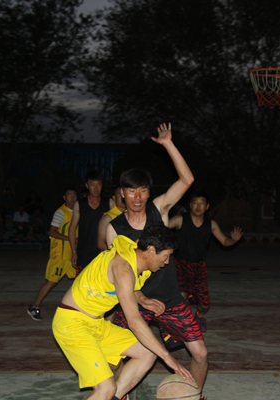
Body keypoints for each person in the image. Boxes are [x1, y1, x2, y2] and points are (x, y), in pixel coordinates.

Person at [105, 123, 208, 398]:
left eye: (142, 190)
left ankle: (193, 395)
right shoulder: (114, 229)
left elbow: (186, 180)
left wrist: (168, 145)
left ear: (149, 192)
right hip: (136, 301)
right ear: (122, 193)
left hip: (171, 299)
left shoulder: (159, 210)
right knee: (116, 356)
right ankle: (117, 395)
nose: (137, 197)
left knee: (200, 353)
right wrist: (140, 298)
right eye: (131, 191)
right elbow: (117, 275)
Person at [53, 224, 193, 400]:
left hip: (96, 324)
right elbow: (134, 322)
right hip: (72, 324)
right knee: (105, 388)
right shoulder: (123, 269)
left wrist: (141, 298)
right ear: (151, 250)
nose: (166, 262)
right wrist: (167, 357)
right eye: (166, 257)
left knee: (147, 353)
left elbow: (125, 285)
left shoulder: (134, 254)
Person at [168, 191, 243, 333]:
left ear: (207, 206)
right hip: (180, 264)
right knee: (181, 297)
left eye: (202, 203)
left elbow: (225, 241)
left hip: (199, 267)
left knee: (204, 305)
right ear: (191, 205)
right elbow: (161, 227)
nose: (198, 206)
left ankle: (200, 316)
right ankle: (181, 323)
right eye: (195, 203)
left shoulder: (211, 224)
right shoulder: (180, 220)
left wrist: (233, 240)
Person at [27, 187, 78, 321]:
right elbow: (52, 232)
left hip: (71, 254)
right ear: (64, 197)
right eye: (69, 195)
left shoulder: (77, 212)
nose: (72, 197)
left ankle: (77, 308)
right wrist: (70, 239)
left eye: (74, 195)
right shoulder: (60, 213)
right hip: (60, 255)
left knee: (80, 279)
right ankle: (34, 306)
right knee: (52, 281)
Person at [68, 171, 114, 275]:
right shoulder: (80, 205)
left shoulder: (109, 203)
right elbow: (72, 229)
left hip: (103, 253)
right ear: (87, 185)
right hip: (84, 253)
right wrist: (74, 252)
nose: (96, 188)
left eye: (99, 184)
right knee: (82, 283)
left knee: (103, 283)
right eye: (92, 184)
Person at [97, 185, 126, 251]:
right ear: (114, 198)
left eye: (124, 194)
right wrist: (115, 254)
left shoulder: (131, 214)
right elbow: (101, 244)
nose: (122, 197)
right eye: (120, 195)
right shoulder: (108, 218)